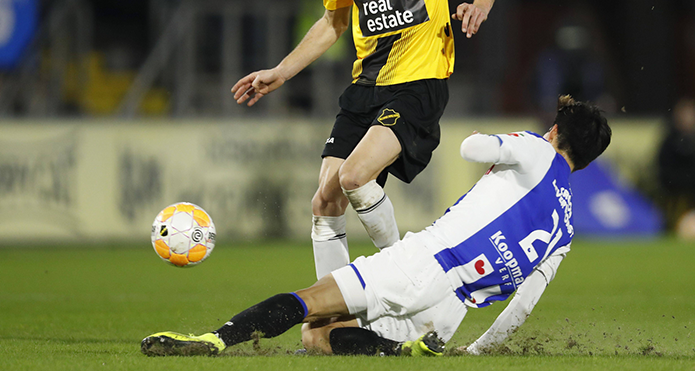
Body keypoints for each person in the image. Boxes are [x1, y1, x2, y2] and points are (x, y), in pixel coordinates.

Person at [141, 95, 611, 357]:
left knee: (310, 301)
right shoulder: (566, 223)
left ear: (555, 130)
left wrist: (494, 140)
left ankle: (214, 340)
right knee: (318, 338)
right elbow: (524, 302)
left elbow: (471, 151)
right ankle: (400, 352)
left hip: (427, 263)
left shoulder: (535, 149)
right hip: (450, 313)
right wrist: (477, 352)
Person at [231, 0, 510, 281]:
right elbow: (333, 24)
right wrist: (282, 71)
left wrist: (481, 4)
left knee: (354, 175)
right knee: (324, 202)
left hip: (419, 81)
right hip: (366, 85)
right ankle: (332, 319)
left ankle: (412, 278)